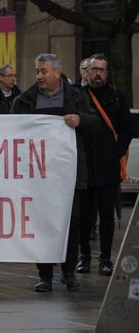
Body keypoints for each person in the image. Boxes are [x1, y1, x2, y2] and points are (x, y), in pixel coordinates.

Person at [11, 53, 99, 292]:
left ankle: (69, 272)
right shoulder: (24, 100)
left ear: (57, 73)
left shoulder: (76, 97)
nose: (39, 76)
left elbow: (95, 122)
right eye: (37, 71)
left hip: (68, 174)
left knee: (72, 223)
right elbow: (11, 131)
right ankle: (45, 275)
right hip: (37, 175)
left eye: (43, 71)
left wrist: (80, 120)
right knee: (41, 224)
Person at [78, 54, 132, 277]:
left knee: (107, 217)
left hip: (107, 169)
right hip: (83, 168)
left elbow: (127, 130)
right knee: (83, 217)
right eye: (94, 69)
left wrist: (115, 153)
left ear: (106, 73)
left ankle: (106, 259)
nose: (98, 73)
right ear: (87, 72)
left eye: (102, 70)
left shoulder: (118, 98)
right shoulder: (77, 96)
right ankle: (84, 258)